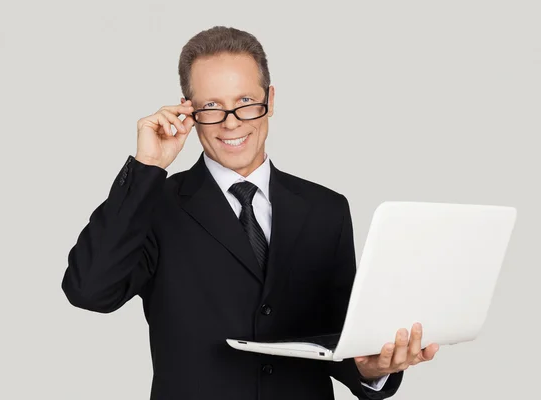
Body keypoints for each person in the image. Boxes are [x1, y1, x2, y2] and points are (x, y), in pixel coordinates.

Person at [61, 26, 439, 400]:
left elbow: (335, 337)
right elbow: (90, 290)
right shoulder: (155, 204)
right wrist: (147, 167)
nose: (231, 122)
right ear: (187, 111)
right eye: (211, 106)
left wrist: (369, 368)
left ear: (270, 100)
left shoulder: (327, 209)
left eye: (246, 101)